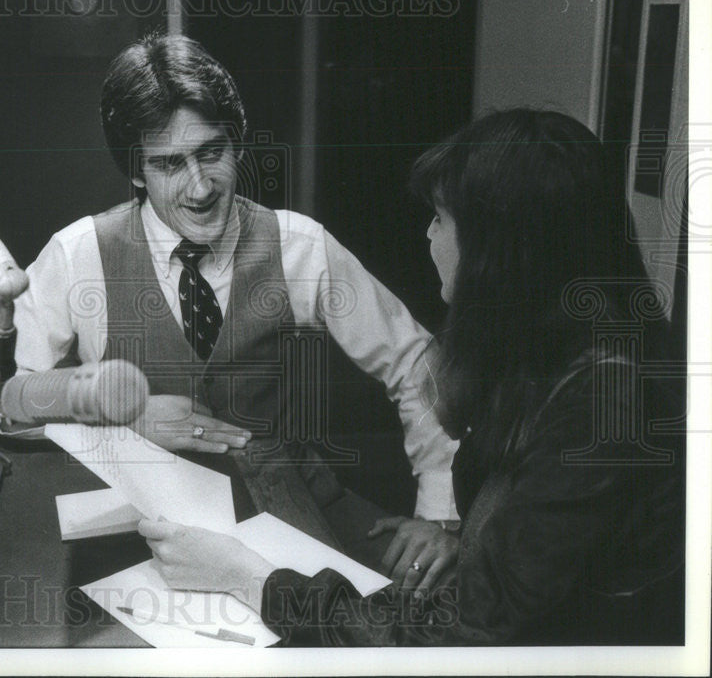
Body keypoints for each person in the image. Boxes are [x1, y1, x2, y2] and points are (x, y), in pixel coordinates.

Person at [140, 109, 685, 645]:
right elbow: (525, 545)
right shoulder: (563, 355)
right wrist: (461, 538)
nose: (427, 235)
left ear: (501, 250)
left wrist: (249, 579)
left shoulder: (602, 399)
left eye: (442, 218)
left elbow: (441, 639)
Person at [0, 33, 460, 555]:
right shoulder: (79, 254)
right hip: (142, 529)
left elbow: (415, 363)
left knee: (417, 608)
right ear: (135, 170)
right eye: (170, 164)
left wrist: (439, 514)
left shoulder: (299, 245)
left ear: (235, 141)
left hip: (293, 515)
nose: (200, 188)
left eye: (211, 153)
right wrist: (117, 426)